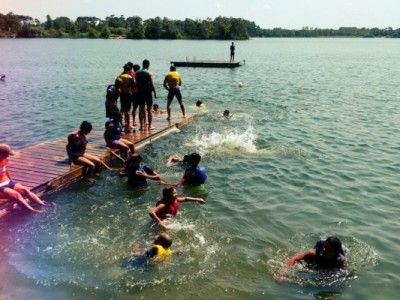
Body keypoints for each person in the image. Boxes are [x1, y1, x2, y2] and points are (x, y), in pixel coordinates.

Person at [0, 144, 52, 213]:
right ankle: (32, 210)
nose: (8, 156)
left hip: (6, 181)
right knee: (16, 195)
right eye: (6, 155)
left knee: (25, 190)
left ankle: (42, 204)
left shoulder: (5, 160)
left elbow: (5, 170)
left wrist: (11, 181)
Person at [280, 236, 347, 280]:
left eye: (328, 249)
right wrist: (281, 274)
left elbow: (344, 274)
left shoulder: (340, 261)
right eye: (324, 246)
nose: (324, 249)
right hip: (317, 258)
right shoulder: (313, 253)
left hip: (335, 256)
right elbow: (294, 258)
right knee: (307, 263)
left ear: (335, 253)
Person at [136, 59, 157, 131]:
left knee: (141, 109)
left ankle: (141, 126)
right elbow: (152, 84)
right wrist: (155, 93)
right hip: (148, 93)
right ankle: (150, 126)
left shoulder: (137, 73)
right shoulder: (149, 73)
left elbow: (136, 83)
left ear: (142, 64)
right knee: (149, 110)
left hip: (140, 92)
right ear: (148, 65)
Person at [116, 64, 135, 131]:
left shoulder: (119, 76)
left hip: (122, 93)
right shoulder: (129, 76)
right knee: (127, 110)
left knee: (122, 108)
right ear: (129, 70)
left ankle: (120, 122)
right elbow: (134, 84)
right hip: (128, 93)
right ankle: (128, 125)